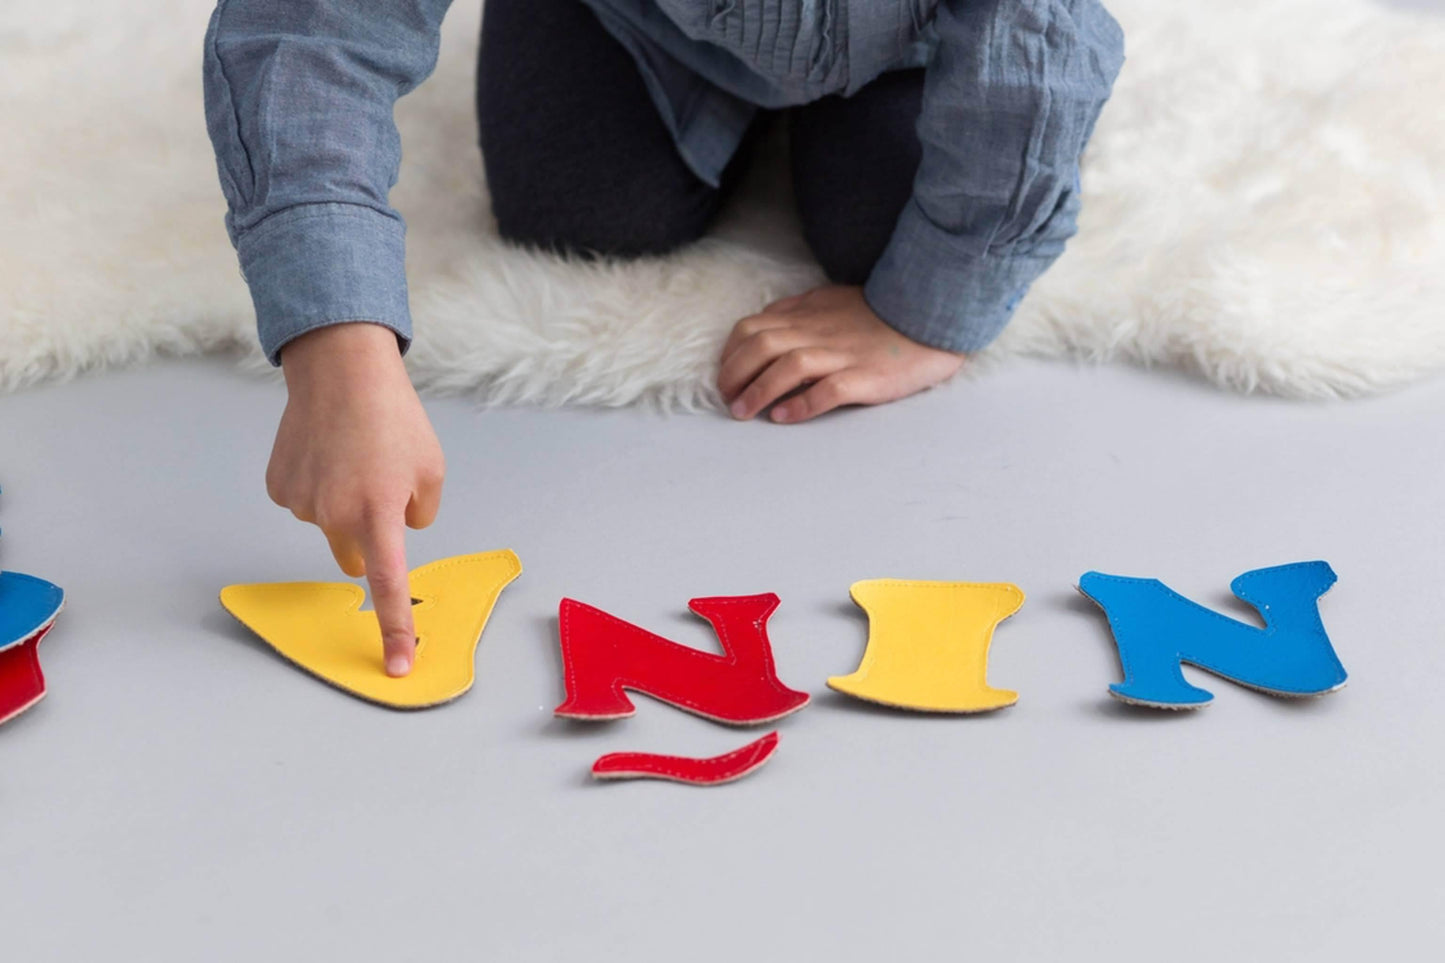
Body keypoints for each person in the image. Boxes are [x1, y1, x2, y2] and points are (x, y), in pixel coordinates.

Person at [202, 0, 1125, 677]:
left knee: (894, 238)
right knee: (578, 214)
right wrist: (338, 349)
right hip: (646, 21)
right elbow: (311, 31)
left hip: (918, 34)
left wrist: (925, 308)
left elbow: (1036, 28)